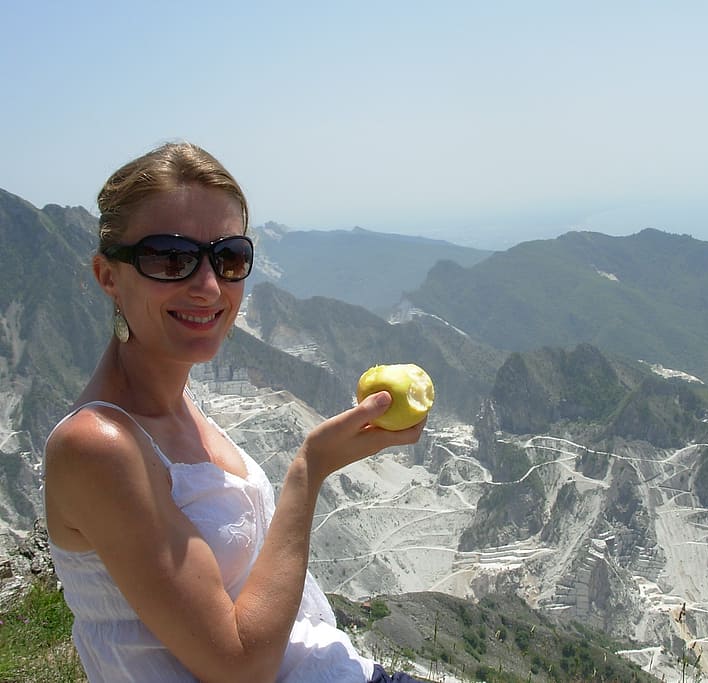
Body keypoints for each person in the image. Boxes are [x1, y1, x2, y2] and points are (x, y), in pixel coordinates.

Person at [43, 142, 427, 683]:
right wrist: (309, 469)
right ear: (108, 276)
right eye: (170, 258)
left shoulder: (180, 408)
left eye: (228, 258)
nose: (207, 286)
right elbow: (241, 665)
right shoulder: (98, 446)